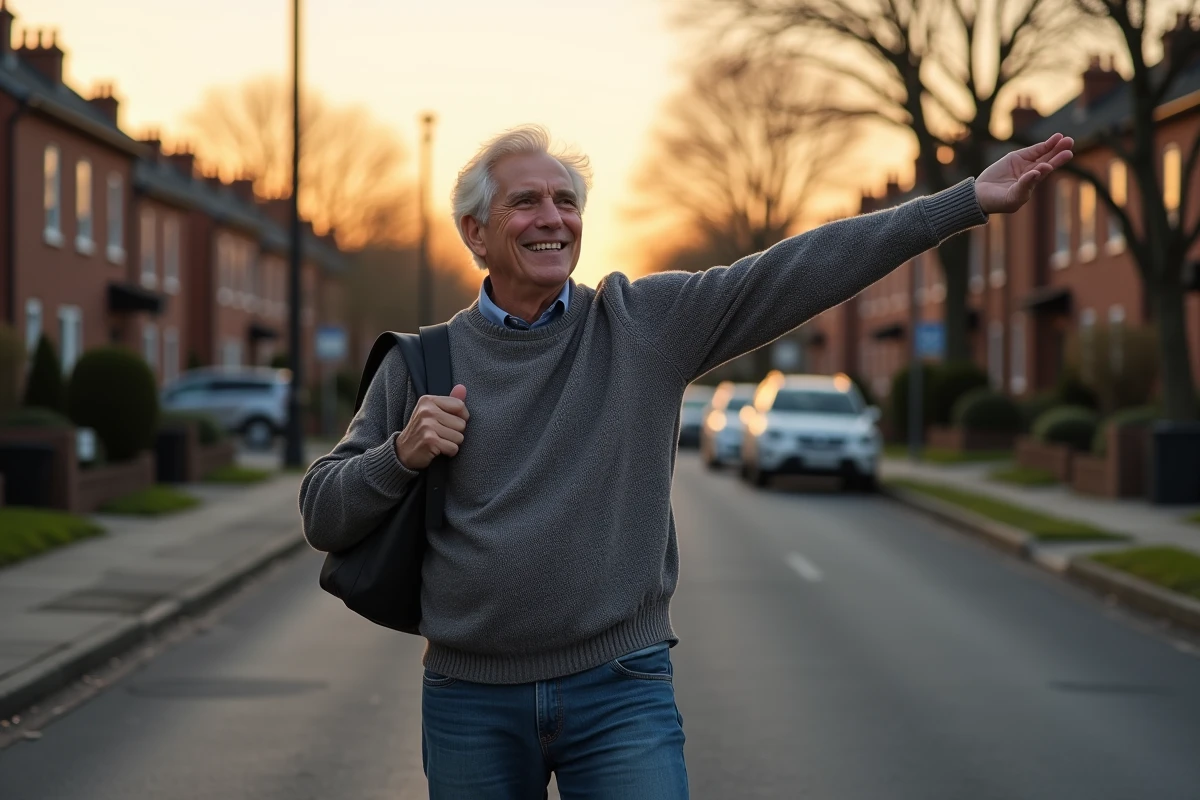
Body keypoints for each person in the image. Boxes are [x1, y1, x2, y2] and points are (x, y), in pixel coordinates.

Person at [299, 124, 1073, 799]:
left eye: (566, 201)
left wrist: (963, 203)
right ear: (475, 232)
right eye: (526, 202)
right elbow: (322, 512)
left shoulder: (642, 325)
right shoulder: (421, 364)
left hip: (619, 690)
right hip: (471, 698)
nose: (553, 218)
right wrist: (399, 455)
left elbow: (796, 269)